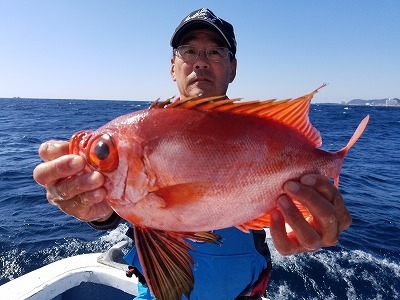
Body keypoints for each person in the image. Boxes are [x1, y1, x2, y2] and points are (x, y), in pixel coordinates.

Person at [33, 8, 352, 300]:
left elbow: (144, 192)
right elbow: (123, 208)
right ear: (173, 66)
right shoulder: (141, 135)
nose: (201, 60)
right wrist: (94, 206)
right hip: (158, 293)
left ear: (233, 68)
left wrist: (312, 222)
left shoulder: (259, 131)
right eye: (189, 51)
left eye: (215, 52)